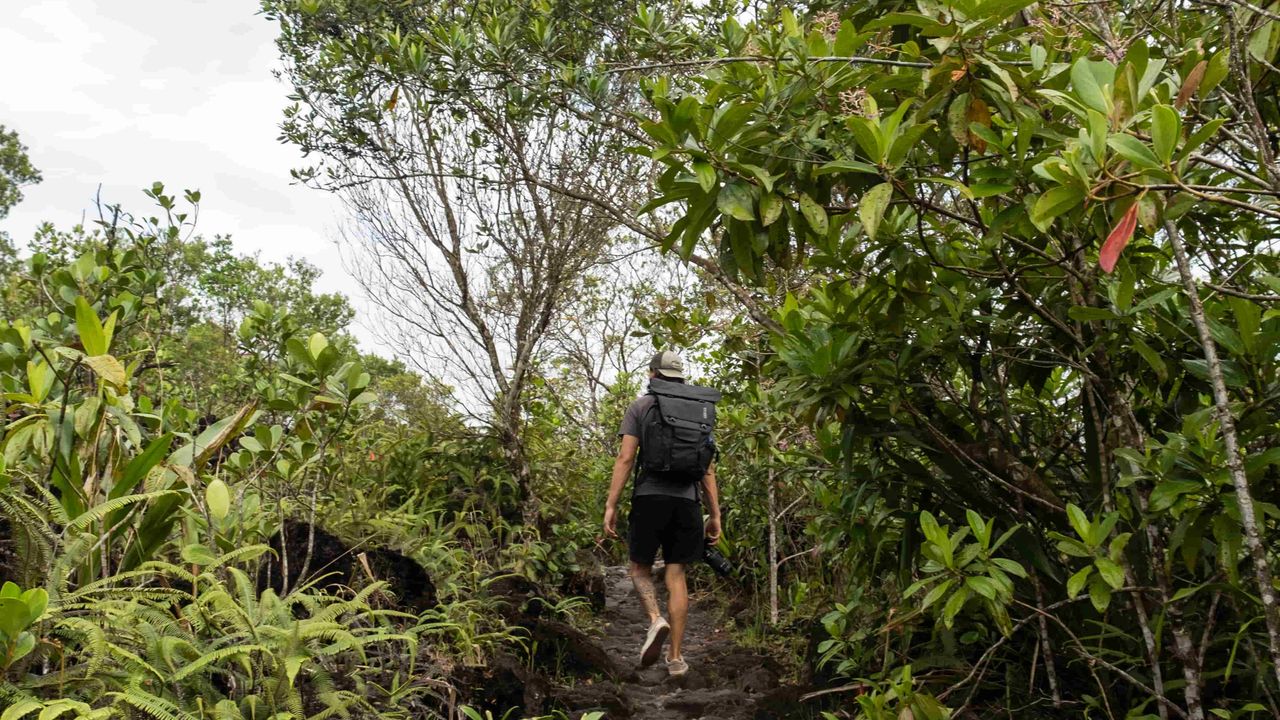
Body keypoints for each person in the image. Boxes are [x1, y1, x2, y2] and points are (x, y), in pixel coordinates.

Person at [602, 350, 722, 677]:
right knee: (676, 574)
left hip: (649, 497)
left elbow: (626, 458)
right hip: (688, 502)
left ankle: (656, 619)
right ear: (681, 376)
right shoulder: (701, 410)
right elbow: (707, 470)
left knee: (640, 569)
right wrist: (715, 515)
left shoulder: (641, 406)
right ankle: (677, 659)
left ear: (653, 374)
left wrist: (611, 504)